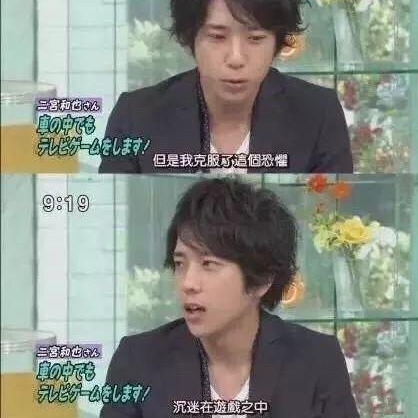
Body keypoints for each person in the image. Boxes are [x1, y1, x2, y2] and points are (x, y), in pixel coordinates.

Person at [100, 177, 360, 416]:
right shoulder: (137, 361)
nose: (188, 283)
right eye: (180, 263)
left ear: (262, 280)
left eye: (209, 264)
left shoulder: (316, 360)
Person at [99, 0, 353, 173]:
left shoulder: (319, 113)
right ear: (189, 37)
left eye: (255, 38)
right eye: (217, 37)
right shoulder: (135, 118)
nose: (236, 58)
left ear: (278, 41)